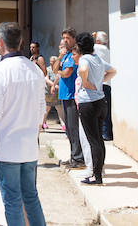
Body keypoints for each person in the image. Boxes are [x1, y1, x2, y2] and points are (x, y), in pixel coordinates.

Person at [0, 22, 48, 226]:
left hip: (7, 149)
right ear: (22, 42)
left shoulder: (0, 71)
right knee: (31, 199)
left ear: (0, 42)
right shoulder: (34, 70)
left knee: (13, 202)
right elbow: (41, 109)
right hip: (29, 149)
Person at [75, 33, 115, 185]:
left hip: (88, 103)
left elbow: (83, 70)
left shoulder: (84, 59)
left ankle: (96, 176)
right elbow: (113, 71)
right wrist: (100, 82)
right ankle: (98, 173)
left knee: (93, 141)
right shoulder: (98, 58)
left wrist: (85, 82)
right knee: (99, 139)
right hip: (100, 101)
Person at [56, 29, 84, 169]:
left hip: (72, 95)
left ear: (73, 39)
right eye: (63, 38)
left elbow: (66, 74)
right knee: (69, 129)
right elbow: (56, 69)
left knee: (74, 128)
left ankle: (79, 159)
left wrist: (60, 72)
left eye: (68, 38)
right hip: (64, 95)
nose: (65, 40)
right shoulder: (66, 55)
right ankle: (73, 156)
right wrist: (60, 59)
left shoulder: (74, 55)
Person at [93, 31, 113, 140]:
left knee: (98, 110)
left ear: (98, 41)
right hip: (107, 84)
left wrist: (92, 36)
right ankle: (107, 133)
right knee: (107, 110)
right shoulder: (107, 50)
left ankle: (102, 133)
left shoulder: (96, 47)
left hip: (98, 84)